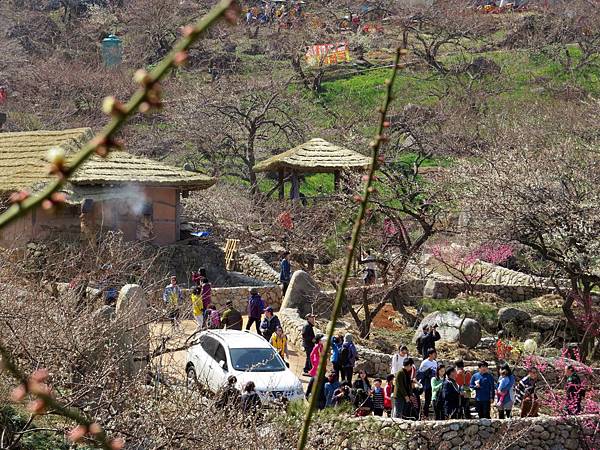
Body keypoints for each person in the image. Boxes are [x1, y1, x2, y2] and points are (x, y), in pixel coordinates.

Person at [418, 348, 438, 419]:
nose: (435, 355)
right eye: (434, 353)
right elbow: (420, 373)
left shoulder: (435, 362)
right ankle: (425, 415)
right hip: (427, 384)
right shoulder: (425, 362)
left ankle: (435, 415)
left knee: (434, 399)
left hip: (434, 383)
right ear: (430, 354)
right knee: (427, 400)